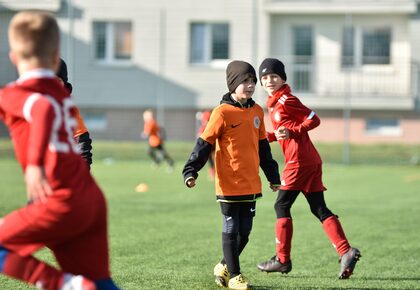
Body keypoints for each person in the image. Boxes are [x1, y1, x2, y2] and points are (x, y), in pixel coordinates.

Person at [0, 11, 120, 289]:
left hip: (59, 201)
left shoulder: (21, 94)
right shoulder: (63, 97)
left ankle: (59, 284)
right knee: (99, 283)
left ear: (14, 57)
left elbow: (40, 110)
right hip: (90, 199)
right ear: (56, 56)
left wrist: (34, 164)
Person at [256, 58, 361, 279]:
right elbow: (287, 129)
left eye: (274, 76)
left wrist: (292, 132)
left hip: (299, 162)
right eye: (264, 78)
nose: (269, 81)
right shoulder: (275, 102)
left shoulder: (286, 99)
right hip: (309, 160)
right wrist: (271, 137)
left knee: (281, 206)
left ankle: (282, 260)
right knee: (318, 208)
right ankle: (346, 251)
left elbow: (314, 119)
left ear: (283, 78)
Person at [182, 60, 281, 290]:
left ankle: (223, 266)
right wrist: (191, 170)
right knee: (231, 228)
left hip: (250, 183)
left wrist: (272, 175)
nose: (250, 86)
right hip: (228, 183)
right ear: (233, 84)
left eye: (252, 81)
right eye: (245, 81)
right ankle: (235, 276)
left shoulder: (257, 111)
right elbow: (203, 144)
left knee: (244, 233)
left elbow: (263, 147)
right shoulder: (222, 112)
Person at [56, 58, 93, 169]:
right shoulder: (33, 104)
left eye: (57, 81)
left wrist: (84, 169)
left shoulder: (67, 108)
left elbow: (81, 140)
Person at [197, 110, 215, 179]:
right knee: (210, 159)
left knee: (211, 159)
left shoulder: (207, 126)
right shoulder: (206, 126)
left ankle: (213, 173)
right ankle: (212, 173)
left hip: (211, 145)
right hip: (210, 145)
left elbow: (199, 136)